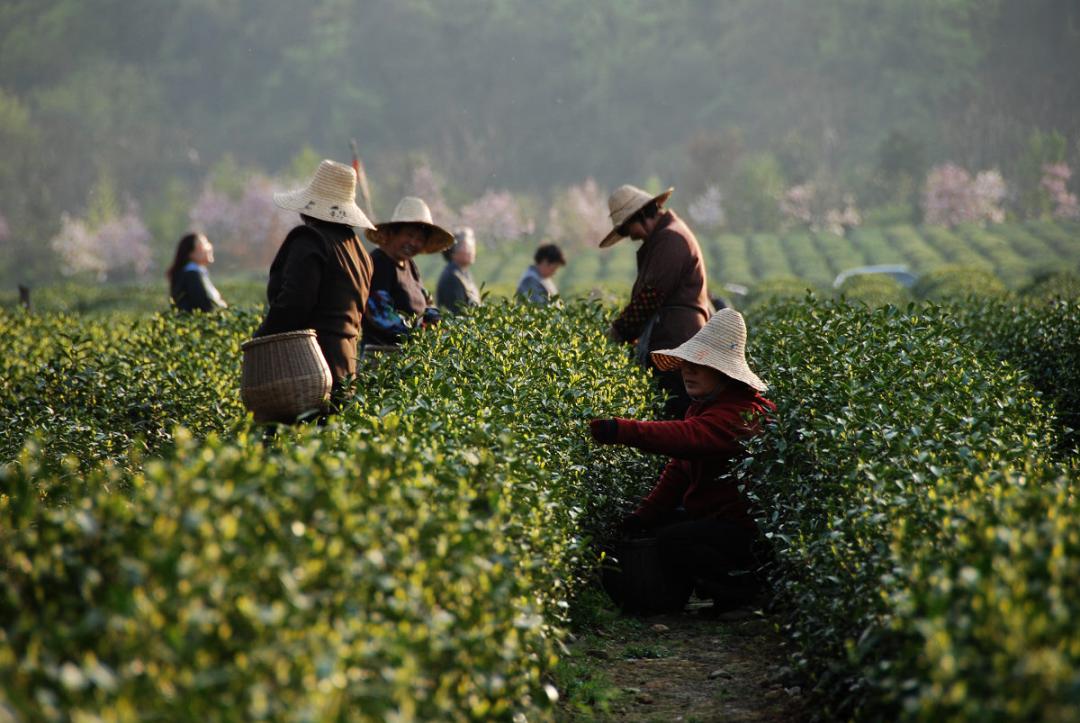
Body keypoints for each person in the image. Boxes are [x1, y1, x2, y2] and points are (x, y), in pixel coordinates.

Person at [589, 309, 776, 612]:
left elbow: (688, 437)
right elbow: (679, 468)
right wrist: (643, 516)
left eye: (700, 366)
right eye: (687, 364)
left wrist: (620, 429)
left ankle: (741, 591)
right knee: (659, 528)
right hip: (717, 521)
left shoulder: (742, 413)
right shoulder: (705, 406)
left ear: (724, 373)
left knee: (676, 540)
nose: (688, 372)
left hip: (745, 532)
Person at [253, 159, 375, 397]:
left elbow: (294, 304)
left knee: (294, 433)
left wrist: (260, 339)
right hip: (347, 368)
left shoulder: (310, 240)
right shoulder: (359, 250)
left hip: (308, 368)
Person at [600, 184, 712, 419]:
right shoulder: (666, 236)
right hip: (675, 338)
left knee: (676, 412)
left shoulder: (670, 238)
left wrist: (619, 331)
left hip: (677, 339)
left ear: (641, 216)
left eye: (628, 228)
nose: (630, 236)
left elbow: (651, 295)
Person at [362, 196, 453, 345]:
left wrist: (437, 323)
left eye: (420, 239)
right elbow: (379, 314)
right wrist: (419, 331)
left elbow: (427, 302)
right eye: (409, 235)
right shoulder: (380, 263)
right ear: (392, 233)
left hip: (409, 354)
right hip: (383, 356)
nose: (414, 243)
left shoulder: (410, 265)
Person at [167, 232, 227, 312]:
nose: (209, 247)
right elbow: (204, 306)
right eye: (203, 244)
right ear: (191, 253)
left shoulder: (197, 273)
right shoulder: (191, 275)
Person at [436, 226, 481, 311]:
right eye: (467, 246)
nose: (471, 251)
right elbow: (457, 313)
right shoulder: (452, 277)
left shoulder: (463, 273)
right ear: (453, 251)